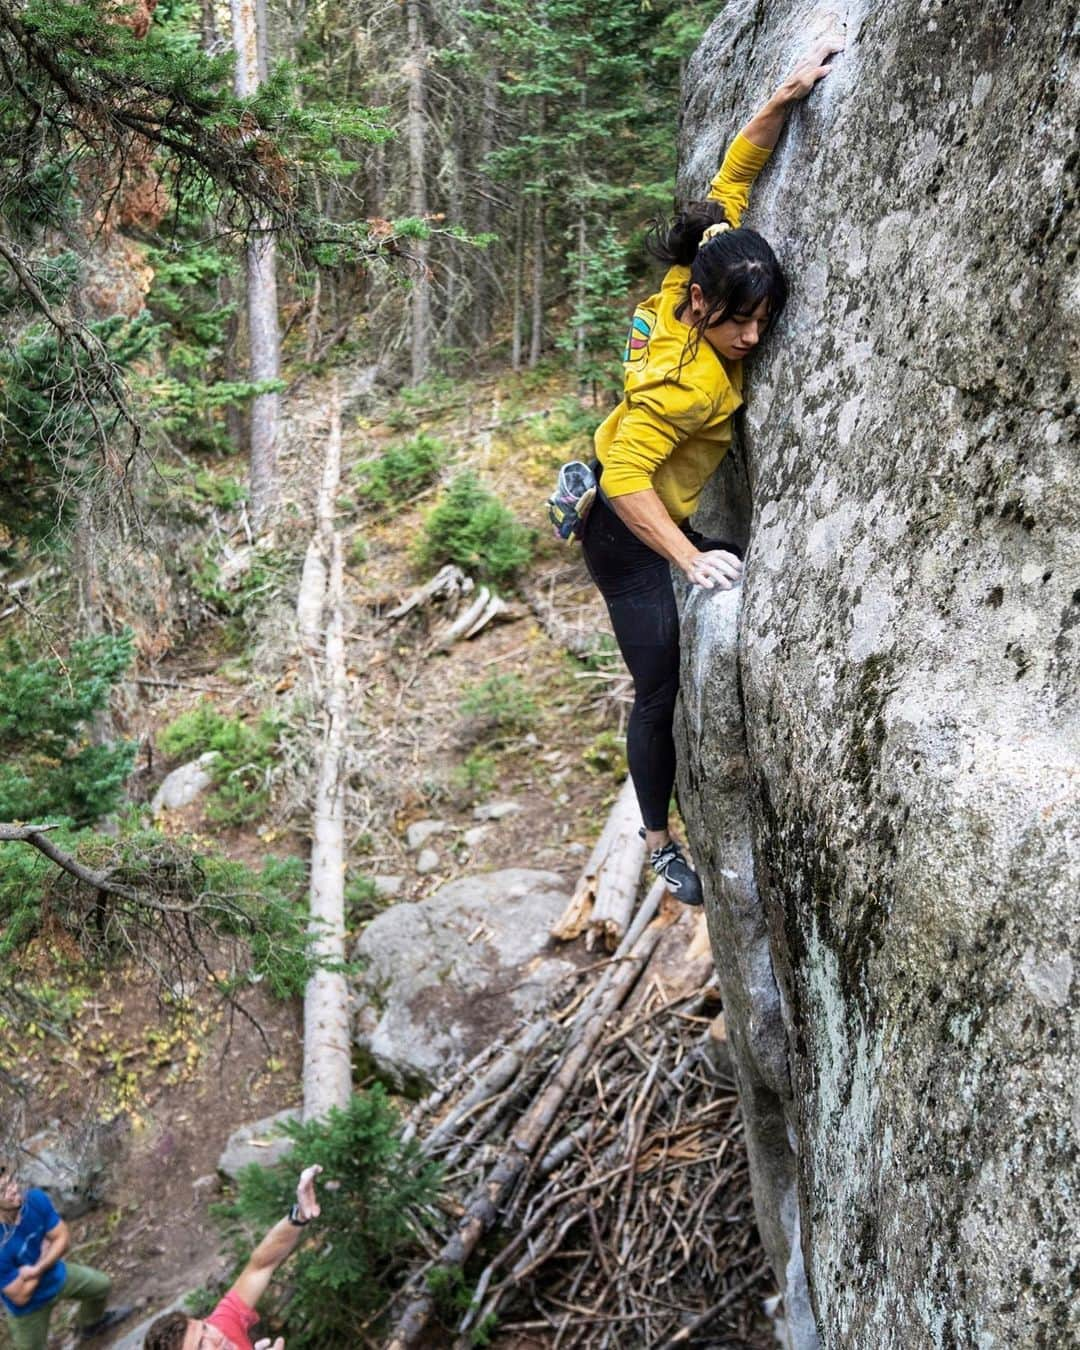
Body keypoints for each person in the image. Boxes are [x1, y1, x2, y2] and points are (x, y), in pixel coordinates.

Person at [582, 37, 843, 905]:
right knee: (656, 689)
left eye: (764, 319)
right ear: (700, 306)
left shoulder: (704, 261)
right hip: (624, 530)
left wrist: (788, 91)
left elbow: (737, 170)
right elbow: (627, 480)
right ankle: (657, 840)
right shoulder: (682, 381)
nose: (753, 339)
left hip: (650, 492)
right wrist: (685, 559)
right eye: (740, 323)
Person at [143, 1164, 322, 1350]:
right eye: (201, 1347)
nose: (217, 1336)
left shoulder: (220, 1326)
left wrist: (299, 1214)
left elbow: (260, 1265)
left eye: (204, 1327)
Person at [0, 1162, 132, 1348]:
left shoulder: (34, 1200)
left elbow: (63, 1239)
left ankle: (90, 1325)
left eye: (12, 1182)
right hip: (28, 1310)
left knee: (102, 1286)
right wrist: (46, 1253)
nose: (13, 1189)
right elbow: (21, 1296)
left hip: (57, 1276)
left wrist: (36, 1268)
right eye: (3, 1190)